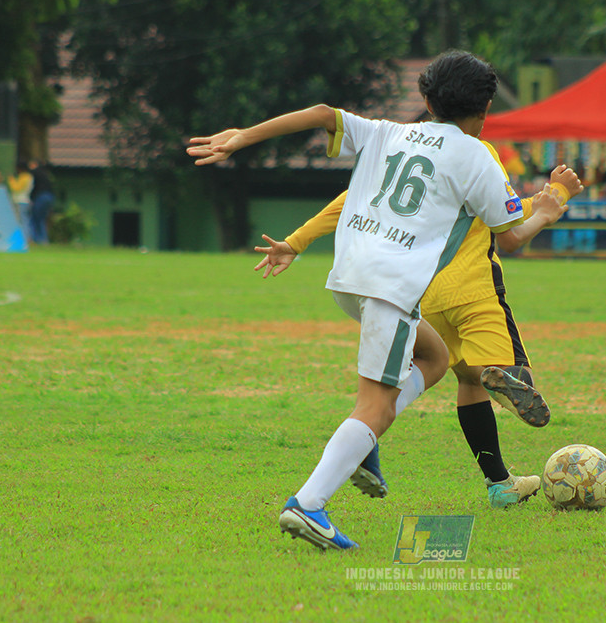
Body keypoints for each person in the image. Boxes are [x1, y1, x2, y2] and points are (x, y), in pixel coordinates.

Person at [187, 50, 528, 550]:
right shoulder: (477, 156)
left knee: (434, 356)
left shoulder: (389, 132)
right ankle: (308, 503)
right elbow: (513, 239)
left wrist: (243, 136)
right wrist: (548, 206)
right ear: (486, 108)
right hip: (390, 289)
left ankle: (364, 443)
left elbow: (323, 114)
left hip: (350, 278)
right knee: (376, 406)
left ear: (427, 99)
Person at [257, 159, 582, 509]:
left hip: (423, 292)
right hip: (474, 289)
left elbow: (351, 200)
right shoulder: (475, 152)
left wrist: (295, 242)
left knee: (467, 380)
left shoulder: (405, 150)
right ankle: (504, 379)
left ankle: (500, 484)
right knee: (513, 375)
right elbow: (509, 217)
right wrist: (556, 194)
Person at [29, 159, 55, 244]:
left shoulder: (34, 172)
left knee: (35, 218)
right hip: (50, 196)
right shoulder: (45, 173)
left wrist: (31, 198)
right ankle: (44, 239)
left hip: (40, 197)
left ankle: (35, 239)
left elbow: (33, 187)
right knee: (42, 219)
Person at [7, 162, 33, 243]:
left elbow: (16, 188)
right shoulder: (28, 177)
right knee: (24, 220)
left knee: (22, 220)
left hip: (21, 201)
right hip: (24, 201)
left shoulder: (24, 177)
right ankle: (25, 237)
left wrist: (11, 180)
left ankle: (25, 238)